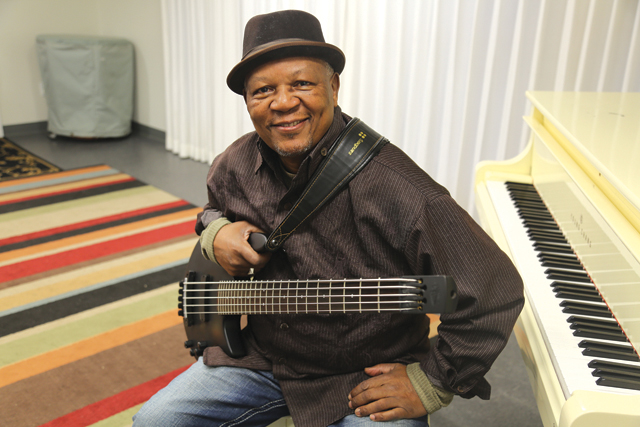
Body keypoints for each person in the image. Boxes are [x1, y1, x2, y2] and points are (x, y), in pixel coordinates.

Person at [133, 9, 524, 427]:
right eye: (263, 90)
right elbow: (213, 208)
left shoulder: (397, 185)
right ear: (247, 102)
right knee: (154, 422)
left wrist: (431, 382)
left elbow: (494, 287)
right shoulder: (233, 163)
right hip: (264, 358)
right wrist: (216, 232)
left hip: (364, 376)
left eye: (301, 84)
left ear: (333, 87)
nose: (283, 103)